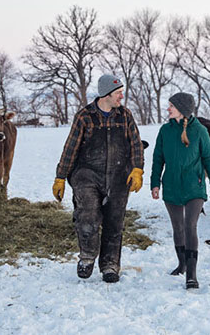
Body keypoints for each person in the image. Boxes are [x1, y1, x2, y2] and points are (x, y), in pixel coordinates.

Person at [52, 74, 144, 283]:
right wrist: (60, 176)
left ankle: (110, 265)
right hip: (87, 175)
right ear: (106, 95)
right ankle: (86, 257)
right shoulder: (85, 117)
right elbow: (70, 148)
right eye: (118, 93)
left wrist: (137, 169)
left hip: (119, 177)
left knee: (114, 222)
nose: (122, 96)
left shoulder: (125, 116)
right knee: (88, 217)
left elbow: (136, 144)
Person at [150, 92, 210, 289]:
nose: (168, 109)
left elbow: (208, 157)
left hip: (193, 187)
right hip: (171, 185)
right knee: (178, 227)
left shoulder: (199, 131)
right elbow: (157, 159)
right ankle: (181, 264)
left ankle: (192, 274)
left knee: (190, 226)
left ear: (181, 109)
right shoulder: (165, 131)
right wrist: (155, 183)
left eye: (171, 105)